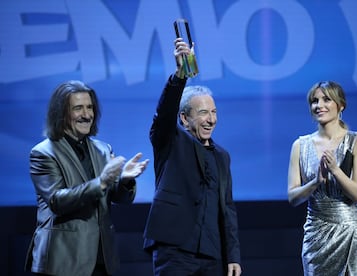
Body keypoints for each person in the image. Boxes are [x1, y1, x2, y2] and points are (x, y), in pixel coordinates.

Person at [24, 80, 150, 276]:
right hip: (64, 260)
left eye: (90, 107)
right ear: (61, 113)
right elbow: (57, 201)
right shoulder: (43, 153)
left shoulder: (102, 149)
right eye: (78, 108)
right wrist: (101, 182)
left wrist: (124, 181)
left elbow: (119, 198)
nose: (86, 115)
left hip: (102, 259)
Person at [143, 38, 242, 276]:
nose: (211, 119)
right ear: (185, 119)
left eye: (214, 112)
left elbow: (227, 208)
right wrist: (180, 74)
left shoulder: (222, 156)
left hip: (212, 254)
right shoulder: (171, 141)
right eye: (203, 113)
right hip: (175, 251)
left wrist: (233, 256)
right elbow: (164, 113)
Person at [287, 81, 357, 275]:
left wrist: (335, 169)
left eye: (326, 99)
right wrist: (316, 182)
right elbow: (293, 197)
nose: (319, 105)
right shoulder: (300, 146)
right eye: (314, 101)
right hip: (316, 235)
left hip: (351, 232)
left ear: (340, 105)